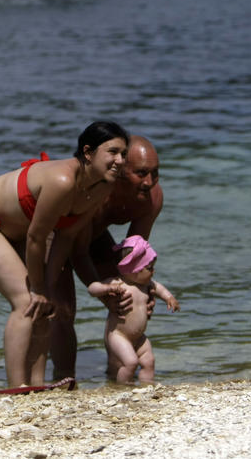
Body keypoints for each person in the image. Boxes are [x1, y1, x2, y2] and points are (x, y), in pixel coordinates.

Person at [0, 121, 129, 387]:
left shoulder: (103, 187)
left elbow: (66, 237)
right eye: (112, 152)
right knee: (26, 300)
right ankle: (16, 387)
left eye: (124, 154)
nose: (120, 160)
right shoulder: (62, 180)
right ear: (88, 152)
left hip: (19, 232)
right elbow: (36, 237)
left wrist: (47, 286)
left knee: (48, 304)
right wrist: (37, 287)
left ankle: (36, 384)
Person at [49, 135, 163, 380]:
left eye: (155, 173)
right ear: (119, 170)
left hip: (94, 237)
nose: (149, 182)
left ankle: (116, 374)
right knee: (63, 309)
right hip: (56, 236)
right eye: (141, 173)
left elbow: (134, 259)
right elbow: (78, 253)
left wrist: (144, 291)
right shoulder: (95, 192)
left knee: (127, 302)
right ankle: (64, 379)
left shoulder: (151, 198)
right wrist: (102, 291)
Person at [87, 235, 180, 384]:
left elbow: (160, 289)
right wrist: (106, 288)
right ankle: (122, 389)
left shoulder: (147, 284)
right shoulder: (117, 283)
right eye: (149, 268)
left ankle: (147, 386)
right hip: (119, 336)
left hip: (139, 337)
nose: (153, 271)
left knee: (149, 361)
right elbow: (92, 289)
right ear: (134, 269)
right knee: (130, 363)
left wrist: (169, 298)